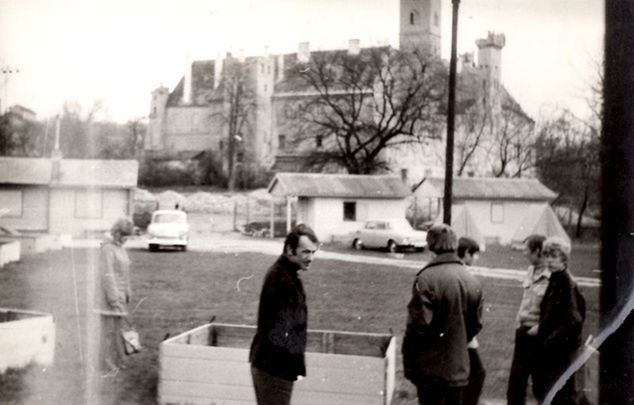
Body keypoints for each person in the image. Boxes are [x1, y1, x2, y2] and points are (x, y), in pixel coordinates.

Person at [402, 224, 484, 405]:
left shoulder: (425, 279)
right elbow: (475, 325)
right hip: (458, 368)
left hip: (430, 371)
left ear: (430, 247)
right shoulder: (471, 280)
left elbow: (418, 326)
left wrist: (411, 363)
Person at [249, 224, 320, 405]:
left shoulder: (288, 275)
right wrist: (290, 367)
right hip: (274, 369)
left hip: (276, 367)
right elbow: (280, 332)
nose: (310, 258)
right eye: (305, 252)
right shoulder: (281, 280)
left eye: (313, 252)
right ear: (289, 250)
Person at [538, 236, 587, 405]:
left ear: (564, 259)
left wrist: (548, 341)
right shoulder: (555, 280)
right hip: (554, 350)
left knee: (563, 396)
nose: (549, 260)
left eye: (554, 256)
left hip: (561, 352)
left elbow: (574, 322)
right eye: (547, 256)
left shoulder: (566, 284)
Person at [506, 234, 549, 405]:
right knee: (516, 382)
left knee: (540, 383)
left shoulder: (551, 276)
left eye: (526, 250)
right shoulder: (531, 270)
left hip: (539, 335)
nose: (524, 253)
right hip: (523, 332)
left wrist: (540, 328)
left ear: (537, 251)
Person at [96, 218, 134, 376]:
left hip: (120, 295)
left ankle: (119, 360)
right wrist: (113, 299)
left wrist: (128, 291)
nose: (126, 239)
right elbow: (108, 276)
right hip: (108, 298)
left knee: (118, 330)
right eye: (125, 236)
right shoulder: (107, 249)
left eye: (128, 237)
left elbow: (124, 271)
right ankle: (106, 362)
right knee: (108, 332)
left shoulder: (120, 248)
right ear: (117, 233)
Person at [457, 237, 486, 405]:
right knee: (478, 373)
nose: (476, 258)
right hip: (464, 336)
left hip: (460, 334)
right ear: (467, 253)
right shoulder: (465, 276)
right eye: (475, 254)